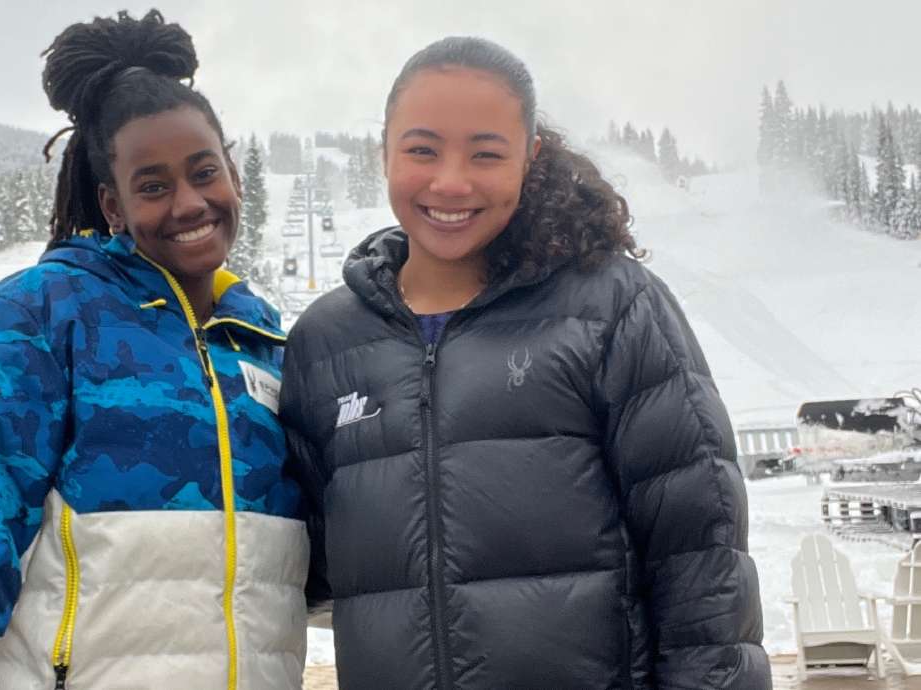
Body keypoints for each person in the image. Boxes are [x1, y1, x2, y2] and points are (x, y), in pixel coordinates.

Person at [281, 37, 770, 689]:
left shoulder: (609, 306)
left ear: (529, 157)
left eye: (486, 153)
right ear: (385, 150)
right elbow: (301, 559)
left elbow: (699, 554)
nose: (450, 182)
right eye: (422, 149)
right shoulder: (326, 341)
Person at [0, 10, 308, 689]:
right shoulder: (36, 316)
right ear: (111, 205)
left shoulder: (264, 338)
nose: (189, 202)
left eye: (204, 171)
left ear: (233, 172)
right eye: (152, 185)